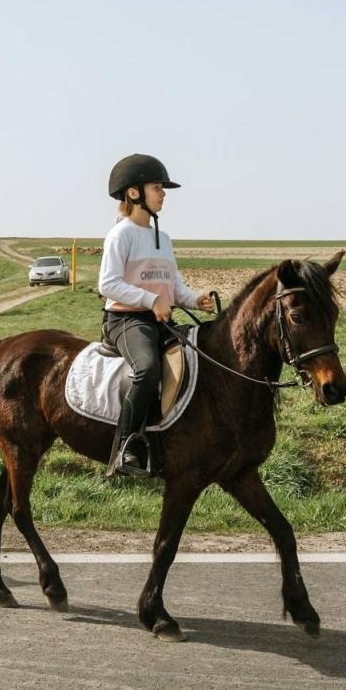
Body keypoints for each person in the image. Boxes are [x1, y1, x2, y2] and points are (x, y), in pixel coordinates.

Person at [98, 153, 215, 478]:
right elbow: (108, 284)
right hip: (126, 321)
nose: (163, 194)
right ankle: (124, 450)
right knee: (147, 370)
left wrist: (195, 300)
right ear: (134, 193)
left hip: (158, 320)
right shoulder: (120, 235)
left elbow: (174, 287)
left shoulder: (163, 239)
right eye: (157, 187)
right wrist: (150, 300)